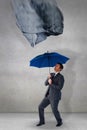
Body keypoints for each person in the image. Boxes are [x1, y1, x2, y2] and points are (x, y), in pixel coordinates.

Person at [36, 63, 64, 127]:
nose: (55, 66)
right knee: (40, 107)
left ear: (60, 69)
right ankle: (42, 121)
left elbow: (59, 87)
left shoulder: (61, 77)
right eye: (55, 65)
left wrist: (51, 83)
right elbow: (45, 84)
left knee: (54, 110)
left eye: (57, 66)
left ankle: (60, 121)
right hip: (48, 95)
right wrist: (48, 78)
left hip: (55, 97)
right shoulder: (51, 74)